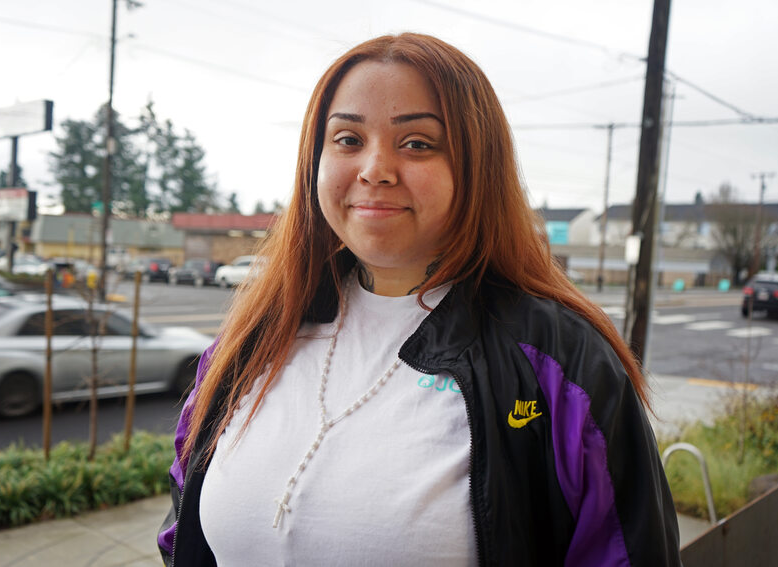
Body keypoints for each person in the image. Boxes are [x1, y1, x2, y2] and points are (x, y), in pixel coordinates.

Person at [158, 33, 681, 566]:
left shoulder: (559, 364)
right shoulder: (255, 338)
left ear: (477, 167)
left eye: (417, 143)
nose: (375, 168)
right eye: (347, 139)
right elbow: (184, 528)